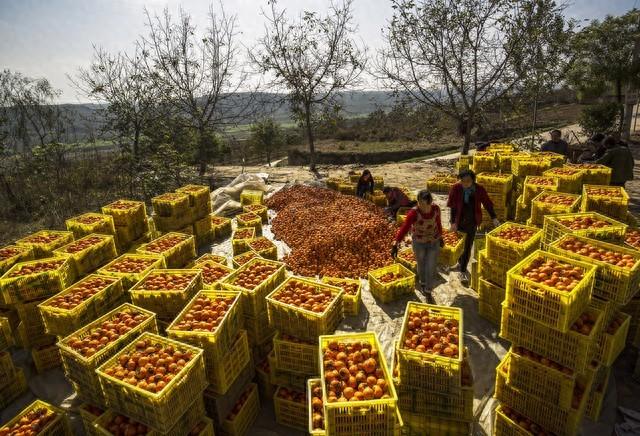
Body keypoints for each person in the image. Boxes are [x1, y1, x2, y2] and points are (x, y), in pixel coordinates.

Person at [447, 169, 499, 280]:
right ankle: (459, 263)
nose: (465, 183)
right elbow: (452, 206)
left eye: (468, 181)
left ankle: (462, 270)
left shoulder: (479, 189)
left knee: (467, 246)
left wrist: (494, 217)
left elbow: (487, 204)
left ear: (473, 180)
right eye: (463, 181)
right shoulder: (456, 188)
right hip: (459, 220)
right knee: (458, 244)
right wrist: (452, 222)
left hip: (472, 221)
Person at [392, 190, 442, 299]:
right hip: (419, 243)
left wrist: (441, 236)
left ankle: (428, 289)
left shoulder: (436, 209)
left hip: (433, 241)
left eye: (425, 204)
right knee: (421, 263)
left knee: (431, 265)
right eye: (420, 203)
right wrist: (396, 242)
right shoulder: (414, 213)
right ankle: (422, 282)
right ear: (418, 201)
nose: (423, 206)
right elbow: (405, 228)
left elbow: (438, 222)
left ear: (430, 202)